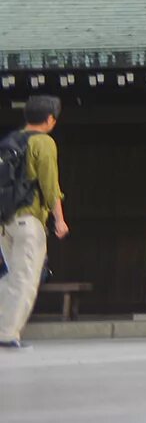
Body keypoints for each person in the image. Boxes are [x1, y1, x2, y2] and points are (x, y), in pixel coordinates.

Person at [1, 94, 68, 350]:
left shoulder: (10, 140)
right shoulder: (44, 142)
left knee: (12, 276)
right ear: (50, 119)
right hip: (29, 221)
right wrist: (59, 220)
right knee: (25, 279)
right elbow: (50, 186)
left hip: (5, 222)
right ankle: (7, 334)